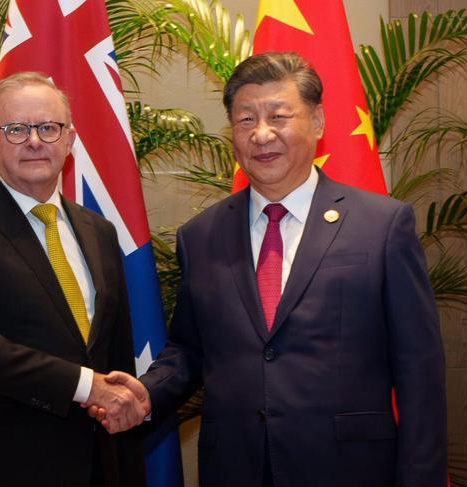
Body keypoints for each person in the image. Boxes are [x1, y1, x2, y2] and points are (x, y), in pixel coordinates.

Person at [92, 52, 447, 487]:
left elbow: (419, 372)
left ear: (317, 122)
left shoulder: (383, 225)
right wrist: (145, 393)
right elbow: (190, 349)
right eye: (245, 120)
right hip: (236, 469)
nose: (261, 134)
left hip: (350, 470)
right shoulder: (201, 235)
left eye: (278, 116)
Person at [0, 71, 148, 487]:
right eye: (16, 129)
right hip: (1, 467)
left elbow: (114, 355)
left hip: (97, 464)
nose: (34, 141)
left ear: (70, 140)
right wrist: (86, 387)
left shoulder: (99, 231)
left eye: (48, 127)